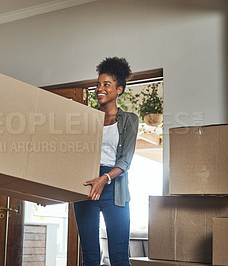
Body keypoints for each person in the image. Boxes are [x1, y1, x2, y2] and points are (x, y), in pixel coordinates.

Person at [74, 57, 139, 266]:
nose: (100, 89)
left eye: (106, 85)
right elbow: (73, 155)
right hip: (87, 184)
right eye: (98, 84)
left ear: (118, 89)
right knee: (90, 257)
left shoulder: (129, 120)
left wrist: (105, 178)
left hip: (114, 187)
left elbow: (125, 160)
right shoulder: (87, 118)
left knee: (119, 257)